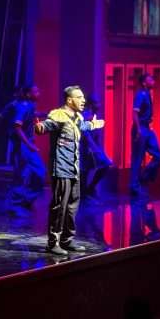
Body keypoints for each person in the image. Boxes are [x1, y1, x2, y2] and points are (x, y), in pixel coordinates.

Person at [35, 85, 105, 255]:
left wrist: (94, 124)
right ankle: (53, 242)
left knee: (73, 205)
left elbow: (83, 126)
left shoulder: (77, 117)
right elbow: (47, 125)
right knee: (59, 205)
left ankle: (67, 240)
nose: (83, 100)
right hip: (61, 168)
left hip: (74, 168)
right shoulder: (58, 116)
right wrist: (40, 127)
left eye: (83, 97)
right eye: (79, 97)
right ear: (69, 100)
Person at [7, 85, 46, 214]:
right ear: (29, 94)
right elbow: (17, 127)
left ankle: (25, 201)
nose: (39, 93)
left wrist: (48, 114)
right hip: (23, 145)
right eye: (36, 91)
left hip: (27, 145)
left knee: (34, 173)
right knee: (30, 173)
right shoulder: (22, 107)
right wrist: (29, 145)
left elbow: (33, 115)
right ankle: (16, 204)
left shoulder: (30, 106)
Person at [130, 74, 160, 197]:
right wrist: (138, 129)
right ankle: (134, 186)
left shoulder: (148, 94)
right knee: (137, 158)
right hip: (141, 128)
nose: (153, 81)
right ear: (144, 83)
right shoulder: (141, 94)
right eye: (150, 79)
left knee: (158, 155)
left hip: (148, 129)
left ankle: (144, 177)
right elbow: (134, 113)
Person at [81, 96, 112, 201]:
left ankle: (90, 189)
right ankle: (85, 195)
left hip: (92, 149)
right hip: (84, 149)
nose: (99, 105)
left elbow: (96, 136)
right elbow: (86, 135)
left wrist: (100, 150)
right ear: (91, 104)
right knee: (84, 171)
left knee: (105, 165)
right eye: (97, 103)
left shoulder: (95, 116)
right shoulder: (85, 115)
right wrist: (95, 149)